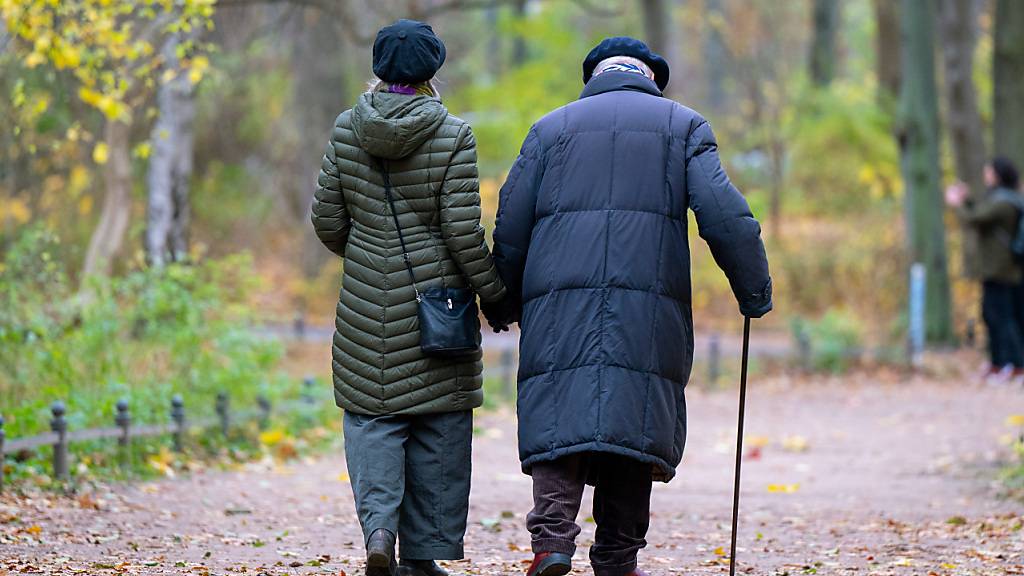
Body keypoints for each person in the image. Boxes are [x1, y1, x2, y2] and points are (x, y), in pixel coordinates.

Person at [482, 37, 773, 576]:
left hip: (558, 307)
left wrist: (502, 299)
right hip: (648, 308)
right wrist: (752, 290)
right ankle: (617, 558)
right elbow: (725, 215)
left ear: (591, 77)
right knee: (631, 424)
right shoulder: (683, 126)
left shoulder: (550, 129)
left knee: (558, 418)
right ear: (650, 79)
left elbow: (512, 222)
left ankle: (551, 545)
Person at [311, 19, 506, 576]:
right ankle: (423, 557)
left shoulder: (347, 129)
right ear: (432, 71)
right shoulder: (453, 134)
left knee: (373, 418)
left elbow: (327, 221)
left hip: (365, 309)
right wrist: (494, 296)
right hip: (436, 310)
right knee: (438, 424)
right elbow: (463, 235)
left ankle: (378, 534)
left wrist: (370, 257)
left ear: (378, 69)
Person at [946, 157, 1024, 384]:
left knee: (1002, 318)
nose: (986, 175)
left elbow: (975, 219)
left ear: (998, 174)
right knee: (993, 316)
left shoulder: (1003, 203)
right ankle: (999, 363)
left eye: (988, 172)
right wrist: (967, 199)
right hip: (1000, 270)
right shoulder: (1007, 200)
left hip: (1002, 271)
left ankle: (1014, 365)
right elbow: (982, 214)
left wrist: (957, 203)